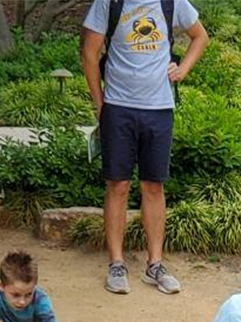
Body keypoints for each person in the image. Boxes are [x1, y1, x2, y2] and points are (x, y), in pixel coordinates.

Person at [81, 0, 209, 295]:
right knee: (118, 185)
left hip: (159, 107)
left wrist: (183, 69)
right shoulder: (109, 2)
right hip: (118, 106)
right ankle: (116, 263)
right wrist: (99, 103)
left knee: (154, 185)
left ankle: (155, 264)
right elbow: (89, 52)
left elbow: (200, 36)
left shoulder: (171, 2)